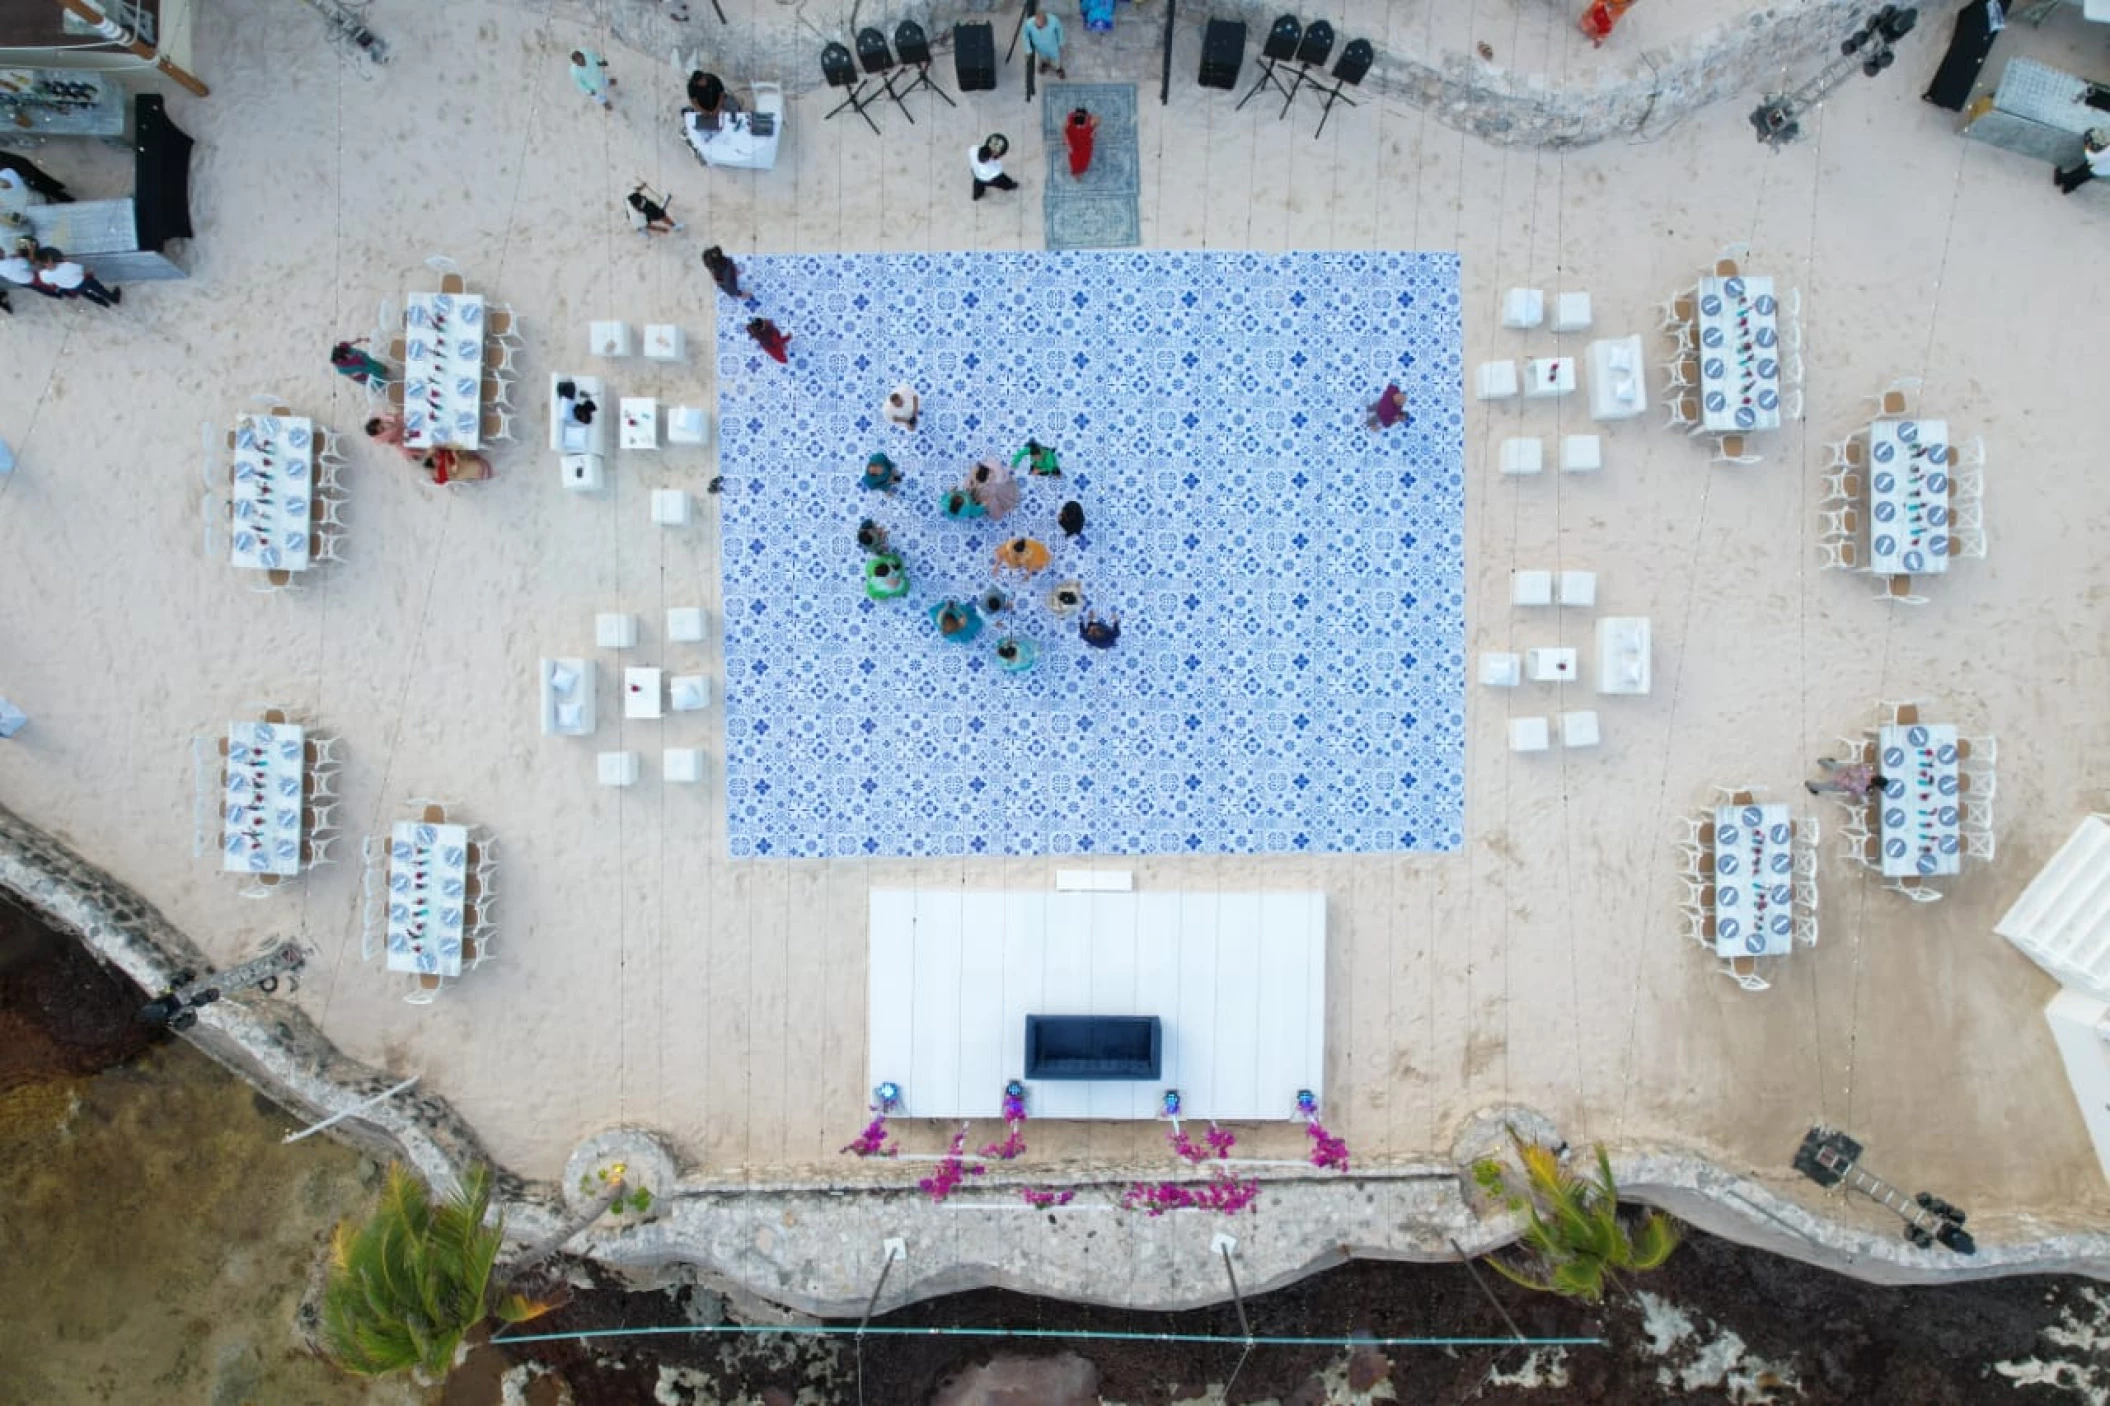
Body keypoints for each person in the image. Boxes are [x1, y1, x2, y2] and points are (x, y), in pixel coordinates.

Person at [34, 247, 118, 307]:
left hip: (71, 288)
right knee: (99, 289)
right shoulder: (66, 266)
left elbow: (51, 283)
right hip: (83, 282)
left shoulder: (42, 275)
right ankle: (113, 299)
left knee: (87, 294)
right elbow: (83, 271)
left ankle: (102, 303)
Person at [2055, 128, 2110, 194]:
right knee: (2085, 178)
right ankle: (2069, 187)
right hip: (2105, 171)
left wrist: (2087, 147)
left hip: (2094, 166)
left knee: (2078, 173)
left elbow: (2093, 158)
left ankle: (2060, 179)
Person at [0, 153, 72, 203]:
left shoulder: (7, 172)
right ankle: (60, 194)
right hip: (22, 171)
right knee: (43, 184)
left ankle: (64, 197)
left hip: (25, 174)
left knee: (44, 185)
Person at [1805, 758, 1888, 799]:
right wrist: (1867, 793)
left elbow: (1860, 766)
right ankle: (1811, 786)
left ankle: (1822, 761)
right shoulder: (1865, 787)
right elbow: (1855, 789)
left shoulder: (1869, 772)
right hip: (1842, 783)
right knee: (1827, 786)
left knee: (1834, 766)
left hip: (1845, 770)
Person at [969, 135, 1017, 202]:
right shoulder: (994, 167)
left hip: (976, 174)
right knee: (1003, 181)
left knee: (978, 186)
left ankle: (976, 196)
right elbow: (998, 171)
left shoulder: (973, 150)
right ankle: (1009, 186)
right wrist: (994, 157)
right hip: (989, 179)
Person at [1023, 7, 1066, 78]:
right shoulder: (1029, 24)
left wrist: (1061, 42)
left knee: (1055, 57)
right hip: (1039, 46)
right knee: (1043, 57)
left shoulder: (1054, 20)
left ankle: (1058, 68)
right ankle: (1044, 64)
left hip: (1052, 45)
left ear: (1046, 22)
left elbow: (1060, 29)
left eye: (1041, 26)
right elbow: (1025, 36)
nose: (1039, 28)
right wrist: (1028, 50)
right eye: (1037, 26)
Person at [421, 447, 493, 484]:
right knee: (467, 462)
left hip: (456, 463)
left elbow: (432, 449)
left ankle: (472, 458)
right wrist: (454, 454)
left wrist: (431, 454)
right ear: (435, 465)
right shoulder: (443, 471)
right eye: (436, 460)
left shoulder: (433, 462)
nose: (437, 458)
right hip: (463, 470)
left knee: (460, 451)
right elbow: (456, 466)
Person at [1064, 107, 1098, 180]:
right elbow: (1064, 129)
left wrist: (1094, 130)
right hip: (1073, 140)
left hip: (1085, 142)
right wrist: (1066, 141)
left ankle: (1080, 171)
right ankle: (1076, 173)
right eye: (1078, 115)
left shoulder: (1090, 120)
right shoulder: (1070, 118)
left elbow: (1098, 120)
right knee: (1074, 158)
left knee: (1085, 158)